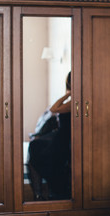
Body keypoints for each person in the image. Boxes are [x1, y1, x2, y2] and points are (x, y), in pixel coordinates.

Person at [27, 72, 72, 200]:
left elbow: (54, 108)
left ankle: (38, 193)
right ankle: (38, 194)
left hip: (64, 139)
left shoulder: (73, 103)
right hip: (60, 136)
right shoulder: (71, 102)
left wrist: (68, 94)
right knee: (34, 148)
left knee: (35, 149)